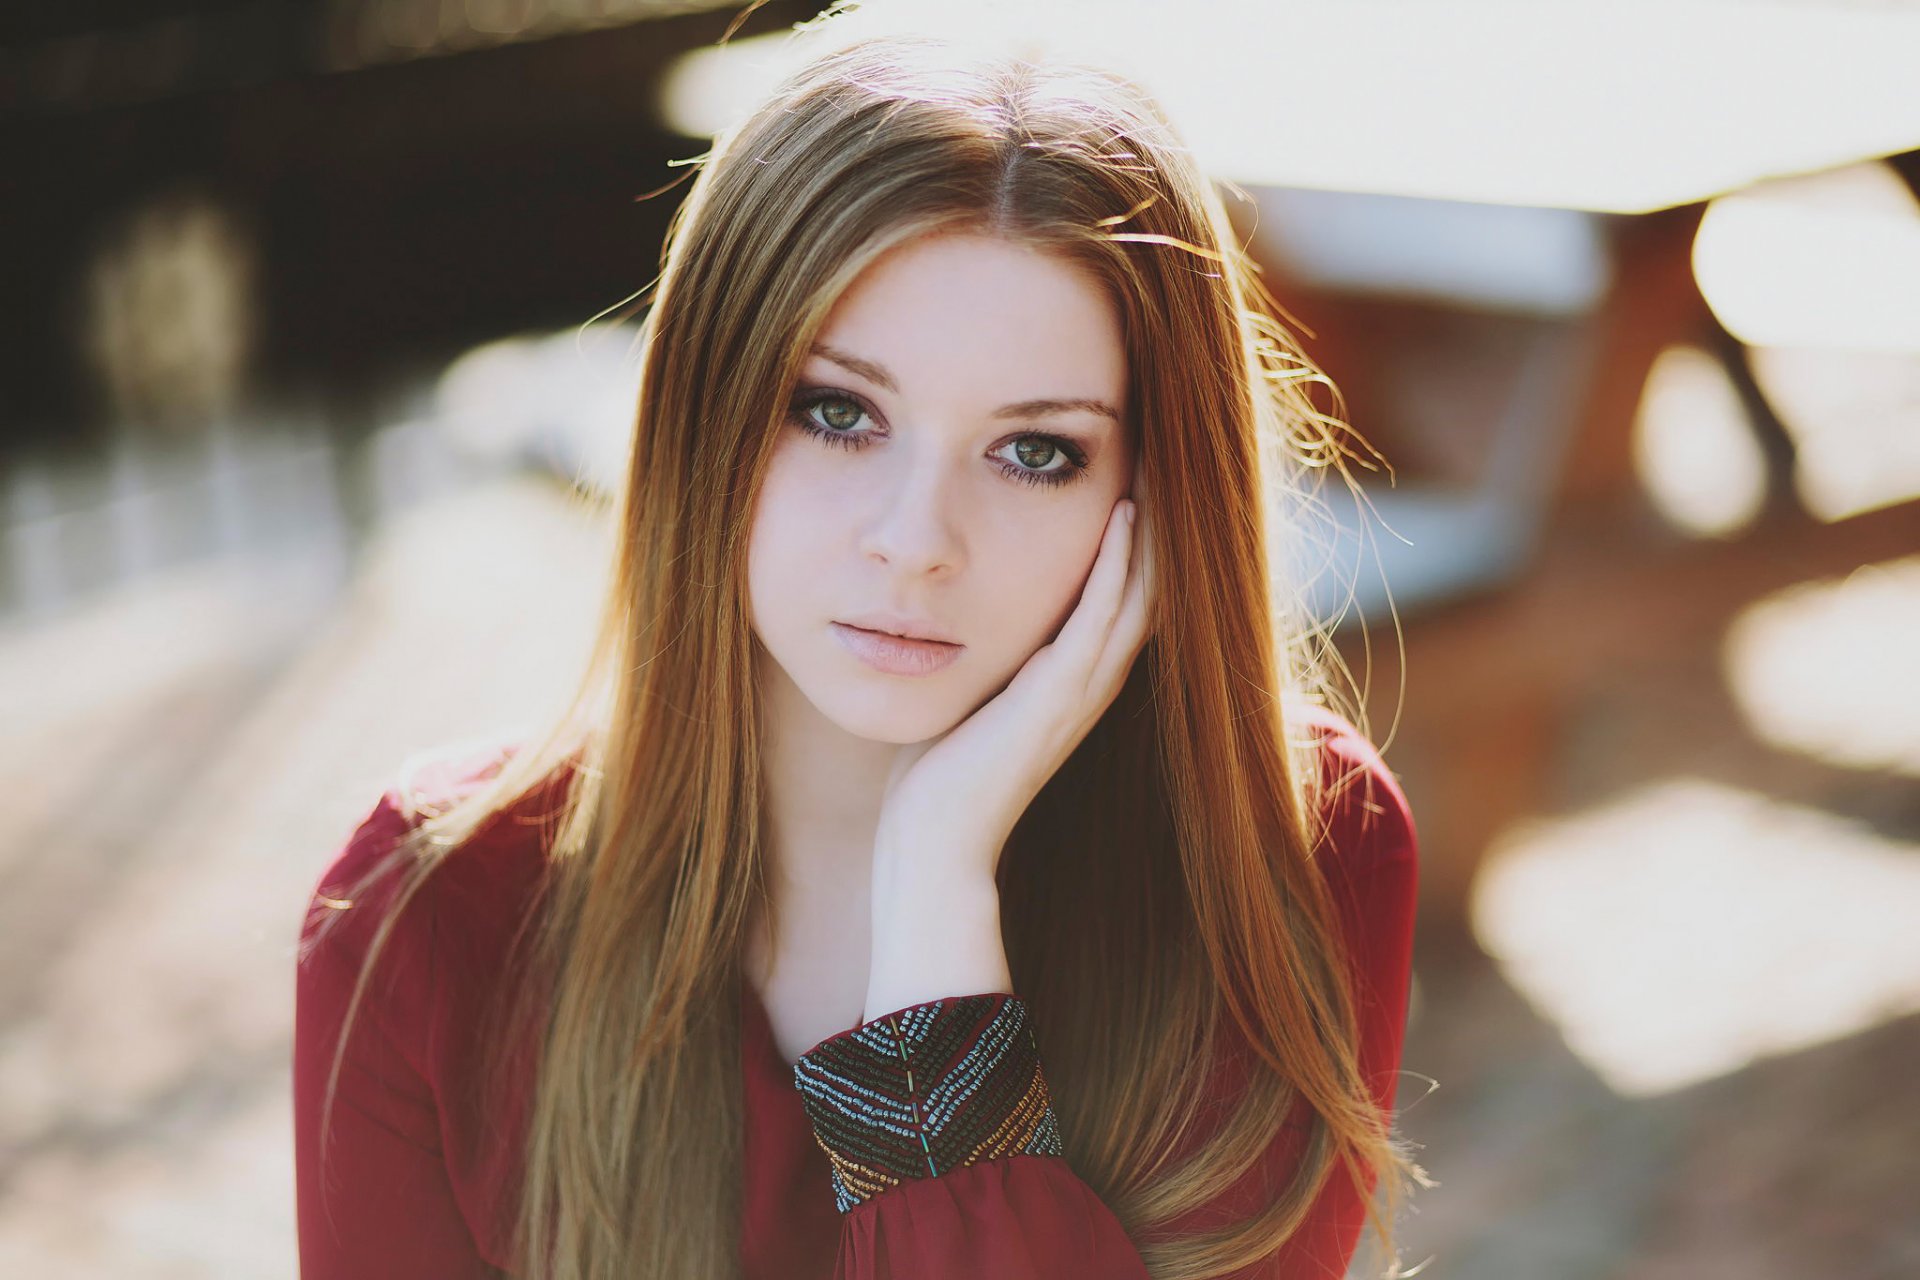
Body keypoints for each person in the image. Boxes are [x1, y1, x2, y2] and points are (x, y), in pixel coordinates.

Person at [293, 25, 1428, 1280]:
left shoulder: (1292, 849)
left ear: (1156, 498)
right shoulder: (430, 914)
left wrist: (937, 902)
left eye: (1035, 449)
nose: (915, 542)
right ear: (703, 415)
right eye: (839, 413)